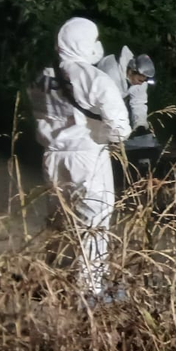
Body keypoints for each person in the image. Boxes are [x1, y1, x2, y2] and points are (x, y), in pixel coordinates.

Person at [28, 18, 132, 306]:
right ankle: (90, 291)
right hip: (87, 156)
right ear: (84, 43)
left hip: (52, 156)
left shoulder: (40, 76)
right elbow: (120, 129)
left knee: (59, 221)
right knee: (93, 222)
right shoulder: (94, 78)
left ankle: (54, 283)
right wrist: (101, 135)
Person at [97, 46, 155, 133]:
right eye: (139, 80)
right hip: (93, 104)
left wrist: (140, 124)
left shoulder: (140, 80)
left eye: (143, 81)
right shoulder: (111, 74)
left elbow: (138, 102)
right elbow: (110, 106)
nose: (141, 84)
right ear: (131, 71)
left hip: (110, 107)